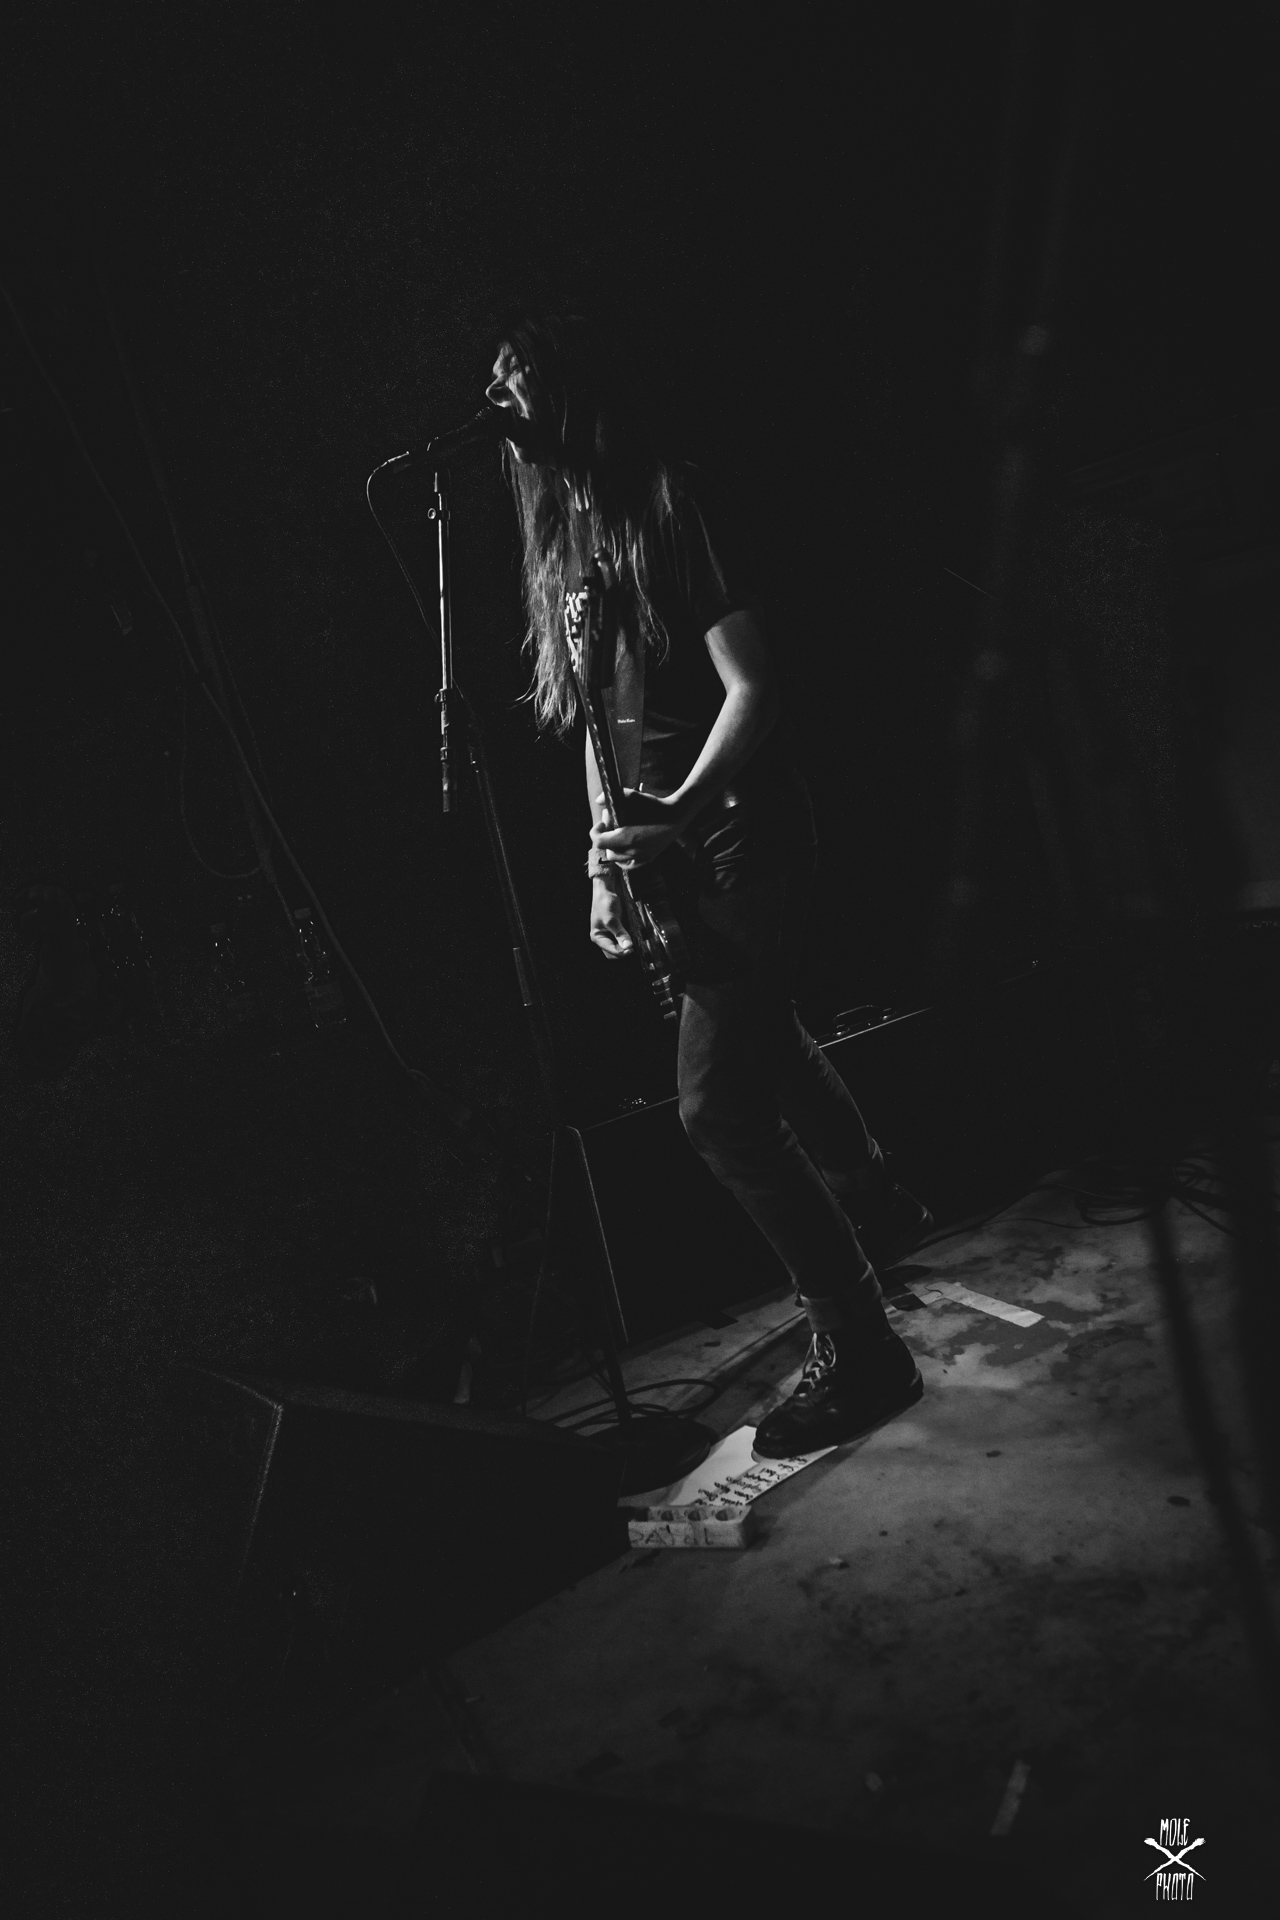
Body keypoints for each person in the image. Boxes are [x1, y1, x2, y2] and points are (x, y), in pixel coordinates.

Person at [485, 312, 931, 1457]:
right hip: (668, 858)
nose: (500, 394)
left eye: (519, 373)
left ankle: (861, 1345)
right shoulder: (563, 550)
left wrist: (679, 811)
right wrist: (600, 866)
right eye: (493, 378)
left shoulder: (669, 505)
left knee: (717, 1108)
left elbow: (753, 687)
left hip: (743, 838)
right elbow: (597, 730)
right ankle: (875, 1203)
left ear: (573, 392)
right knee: (766, 1042)